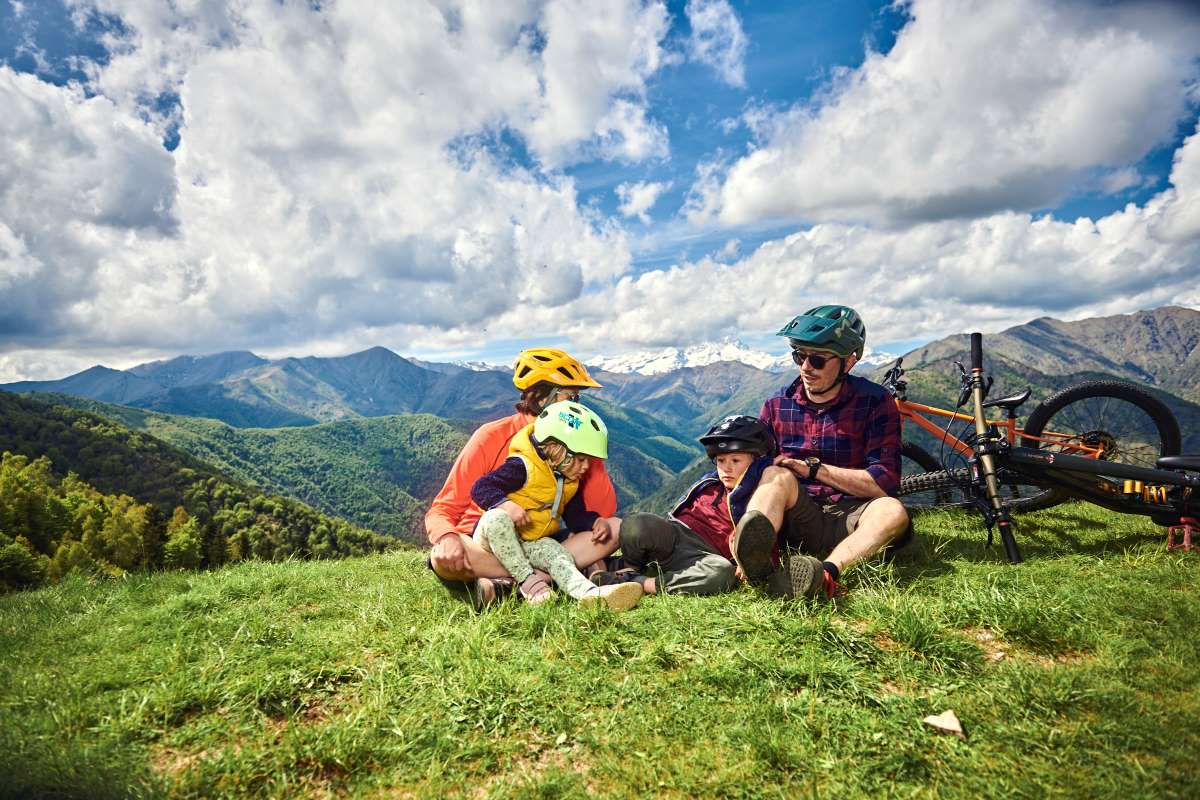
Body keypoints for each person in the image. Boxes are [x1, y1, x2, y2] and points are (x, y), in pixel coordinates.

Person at [730, 305, 911, 599]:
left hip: (853, 513)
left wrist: (815, 470)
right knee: (773, 473)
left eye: (817, 359)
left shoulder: (876, 402)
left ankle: (824, 572)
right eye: (799, 356)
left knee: (893, 511)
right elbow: (753, 474)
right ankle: (756, 559)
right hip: (797, 514)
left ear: (848, 362)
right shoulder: (777, 404)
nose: (805, 368)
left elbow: (884, 483)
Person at [426, 348, 621, 609]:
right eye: (571, 396)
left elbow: (602, 513)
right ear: (542, 397)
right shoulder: (492, 437)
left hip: (539, 541)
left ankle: (506, 587)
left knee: (615, 528)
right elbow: (443, 508)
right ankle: (545, 577)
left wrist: (590, 457)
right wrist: (447, 538)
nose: (578, 405)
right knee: (443, 557)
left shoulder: (576, 442)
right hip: (484, 544)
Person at [471, 401, 642, 611]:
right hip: (493, 541)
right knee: (496, 518)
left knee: (556, 553)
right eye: (580, 459)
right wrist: (506, 505)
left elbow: (575, 515)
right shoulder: (522, 467)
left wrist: (596, 521)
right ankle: (528, 582)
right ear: (556, 449)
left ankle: (589, 594)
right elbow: (481, 487)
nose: (586, 466)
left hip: (529, 543)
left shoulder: (568, 479)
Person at [594, 415, 786, 596]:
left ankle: (640, 582)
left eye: (735, 460)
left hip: (705, 556)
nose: (726, 468)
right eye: (720, 460)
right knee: (637, 522)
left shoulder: (764, 494)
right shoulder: (710, 482)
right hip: (675, 534)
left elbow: (762, 538)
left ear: (757, 461)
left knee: (720, 573)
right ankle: (627, 567)